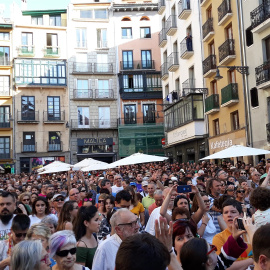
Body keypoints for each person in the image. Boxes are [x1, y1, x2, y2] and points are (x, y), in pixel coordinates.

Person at [212, 199, 253, 269]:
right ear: (223, 217)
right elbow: (223, 267)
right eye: (226, 212)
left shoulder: (251, 232)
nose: (229, 215)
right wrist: (252, 260)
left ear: (241, 215)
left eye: (233, 212)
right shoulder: (219, 238)